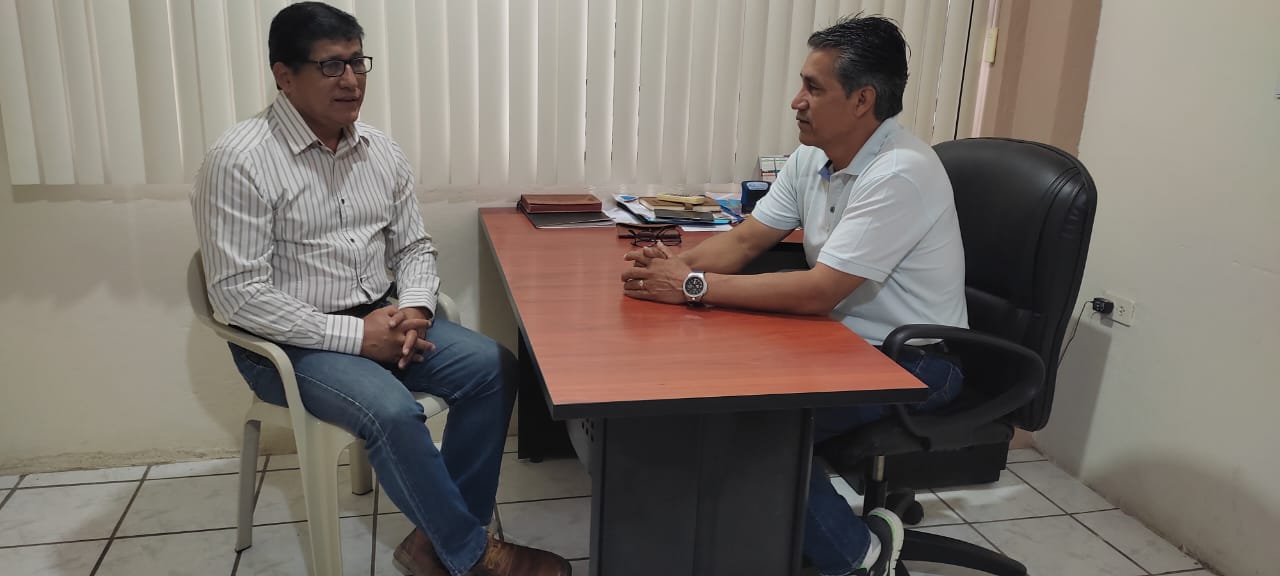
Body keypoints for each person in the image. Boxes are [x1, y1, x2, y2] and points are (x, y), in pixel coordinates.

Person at [190, 4, 569, 576]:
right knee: (392, 410)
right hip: (287, 346)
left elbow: (414, 247)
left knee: (494, 368)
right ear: (284, 75)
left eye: (357, 62)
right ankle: (471, 555)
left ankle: (436, 543)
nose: (350, 79)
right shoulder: (239, 160)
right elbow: (238, 295)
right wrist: (356, 337)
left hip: (382, 319)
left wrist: (414, 308)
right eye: (331, 65)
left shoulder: (380, 149)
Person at [619, 15, 967, 576]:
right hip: (839, 343)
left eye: (813, 87)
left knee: (754, 430)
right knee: (715, 400)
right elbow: (747, 240)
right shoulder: (813, 156)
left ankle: (861, 558)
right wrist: (673, 267)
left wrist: (688, 286)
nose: (796, 101)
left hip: (911, 361)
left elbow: (820, 291)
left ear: (862, 100)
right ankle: (771, 530)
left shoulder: (899, 173)